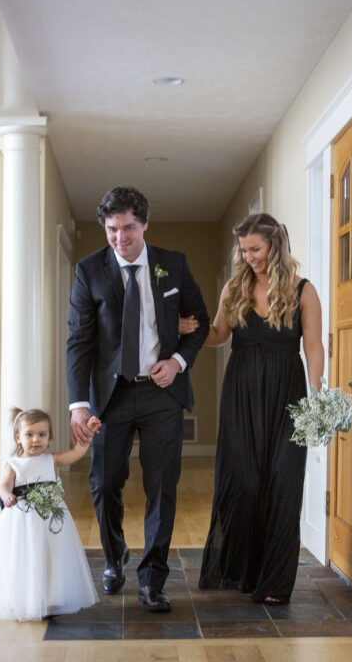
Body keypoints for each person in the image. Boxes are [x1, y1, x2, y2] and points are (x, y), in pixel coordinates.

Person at [66, 186, 209, 612]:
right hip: (109, 397)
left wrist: (179, 361)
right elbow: (79, 342)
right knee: (105, 483)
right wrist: (79, 403)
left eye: (129, 227)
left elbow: (198, 324)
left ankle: (152, 580)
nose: (121, 237)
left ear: (144, 224)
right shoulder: (89, 271)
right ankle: (114, 560)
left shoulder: (173, 266)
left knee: (162, 486)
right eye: (112, 229)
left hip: (161, 393)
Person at [193, 213, 324, 604]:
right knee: (246, 483)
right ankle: (245, 570)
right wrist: (190, 330)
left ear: (275, 245)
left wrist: (315, 394)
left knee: (283, 483)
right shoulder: (235, 288)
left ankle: (276, 583)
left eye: (256, 249)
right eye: (244, 250)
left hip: (289, 395)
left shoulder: (303, 290)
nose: (249, 256)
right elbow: (218, 335)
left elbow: (314, 346)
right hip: (242, 394)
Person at [0, 407, 101, 621]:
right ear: (18, 437)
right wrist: (7, 496)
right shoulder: (14, 464)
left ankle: (51, 595)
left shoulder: (50, 459)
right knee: (26, 555)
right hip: (22, 518)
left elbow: (76, 454)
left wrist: (87, 434)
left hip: (50, 516)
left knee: (51, 554)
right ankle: (25, 598)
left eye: (42, 435)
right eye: (29, 435)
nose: (36, 440)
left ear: (49, 437)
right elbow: (4, 486)